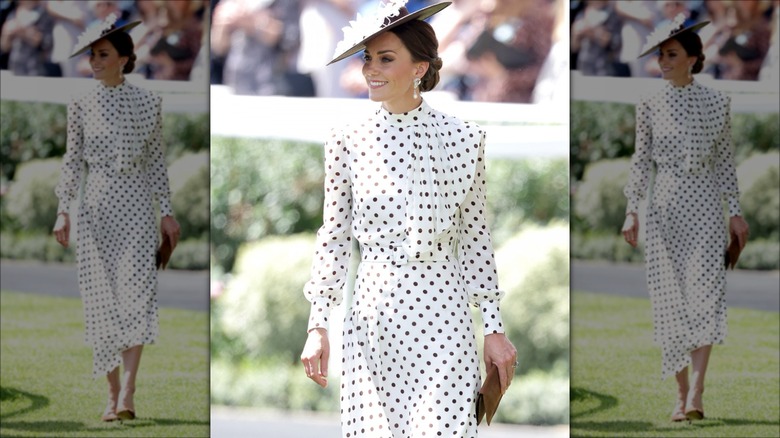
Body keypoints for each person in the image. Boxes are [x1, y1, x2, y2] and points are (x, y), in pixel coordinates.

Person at [299, 1, 517, 436]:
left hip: (444, 314)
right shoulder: (346, 138)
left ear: (419, 68)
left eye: (385, 58)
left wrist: (493, 328)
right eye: (367, 58)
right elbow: (335, 236)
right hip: (373, 317)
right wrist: (318, 324)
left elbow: (475, 238)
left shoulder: (465, 139)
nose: (370, 71)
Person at [52, 13, 180, 422]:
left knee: (135, 301)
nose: (94, 61)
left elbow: (157, 162)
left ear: (125, 59)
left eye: (103, 54)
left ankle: (128, 392)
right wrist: (62, 211)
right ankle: (110, 397)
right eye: (92, 54)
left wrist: (168, 213)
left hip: (138, 209)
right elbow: (72, 162)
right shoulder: (80, 102)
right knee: (100, 304)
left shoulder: (148, 102)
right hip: (96, 210)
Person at [622, 14, 750, 423]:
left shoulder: (718, 102)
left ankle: (696, 392)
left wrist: (736, 212)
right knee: (669, 304)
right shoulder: (649, 102)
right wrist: (631, 210)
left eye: (671, 54)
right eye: (661, 54)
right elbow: (641, 161)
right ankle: (679, 398)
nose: (663, 61)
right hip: (664, 209)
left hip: (707, 210)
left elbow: (725, 163)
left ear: (694, 59)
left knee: (705, 300)